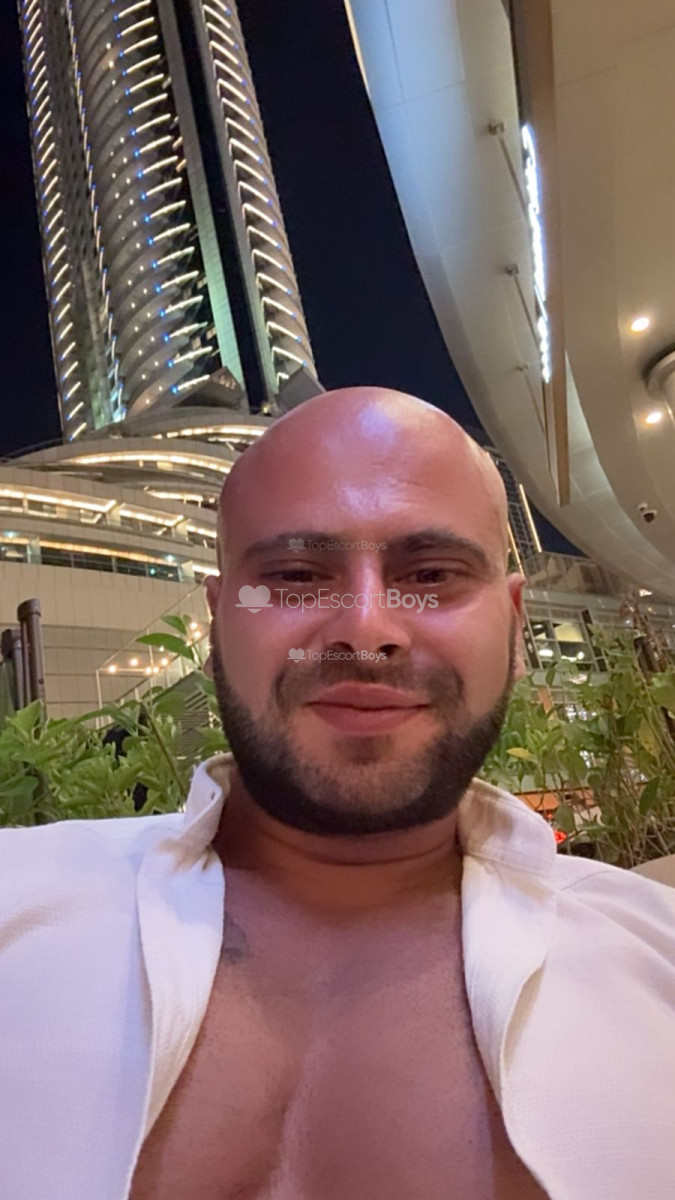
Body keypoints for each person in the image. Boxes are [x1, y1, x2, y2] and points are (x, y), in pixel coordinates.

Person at [0, 388, 673, 1200]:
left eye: (430, 574)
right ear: (217, 622)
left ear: (513, 620)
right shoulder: (16, 905)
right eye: (293, 577)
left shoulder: (655, 956)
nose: (366, 628)